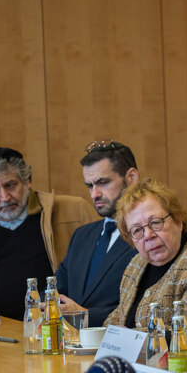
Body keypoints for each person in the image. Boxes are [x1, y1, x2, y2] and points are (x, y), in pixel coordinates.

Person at [104, 178, 187, 329]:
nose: (148, 235)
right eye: (137, 230)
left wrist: (128, 338)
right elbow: (115, 320)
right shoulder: (135, 265)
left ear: (178, 220)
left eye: (155, 222)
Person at [0, 147, 92, 318]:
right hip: (2, 331)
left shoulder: (73, 211)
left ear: (27, 181)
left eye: (10, 185)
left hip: (58, 326)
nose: (4, 197)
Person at [55, 140, 140, 326]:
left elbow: (148, 306)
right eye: (90, 186)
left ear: (131, 178)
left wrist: (86, 316)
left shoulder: (148, 236)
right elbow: (55, 291)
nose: (94, 194)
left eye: (103, 182)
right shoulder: (81, 236)